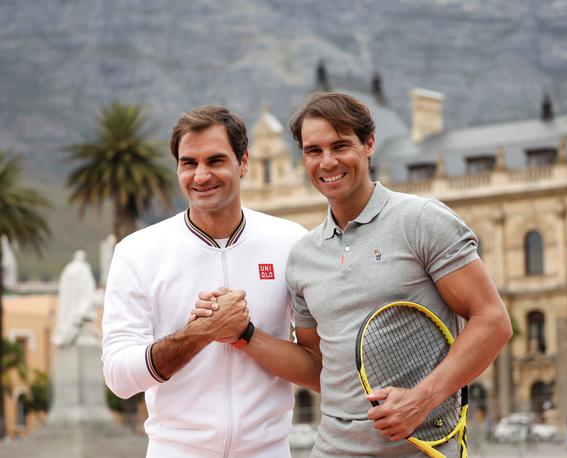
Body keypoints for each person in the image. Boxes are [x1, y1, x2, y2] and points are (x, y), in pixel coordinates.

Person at [194, 92, 512, 456]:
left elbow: (493, 321)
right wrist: (243, 334)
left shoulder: (421, 220)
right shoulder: (303, 256)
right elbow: (318, 367)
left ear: (369, 144)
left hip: (420, 448)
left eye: (340, 146)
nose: (327, 162)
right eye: (314, 151)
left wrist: (421, 399)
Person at [101, 106, 307, 457]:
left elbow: (317, 368)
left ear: (244, 163)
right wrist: (201, 332)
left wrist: (245, 335)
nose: (200, 175)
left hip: (268, 450)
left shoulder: (292, 242)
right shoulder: (137, 251)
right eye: (188, 163)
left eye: (215, 160)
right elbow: (119, 378)